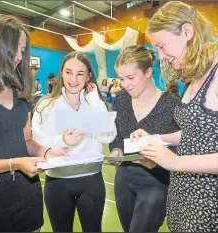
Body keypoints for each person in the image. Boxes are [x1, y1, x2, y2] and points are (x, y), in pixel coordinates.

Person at [0, 14, 68, 232]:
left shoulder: (20, 92)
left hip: (27, 199)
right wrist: (14, 163)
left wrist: (45, 151)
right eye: (14, 48)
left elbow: (27, 141)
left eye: (23, 51)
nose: (18, 56)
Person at [131, 1, 218, 232]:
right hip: (184, 194)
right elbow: (195, 132)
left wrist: (176, 161)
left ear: (187, 32)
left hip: (210, 203)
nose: (162, 56)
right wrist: (157, 140)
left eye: (162, 46)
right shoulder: (194, 75)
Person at [32, 51, 117, 232]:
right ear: (61, 72)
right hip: (58, 182)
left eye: (80, 73)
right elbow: (36, 143)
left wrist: (94, 100)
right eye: (69, 72)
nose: (73, 79)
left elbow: (108, 136)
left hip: (92, 181)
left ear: (88, 77)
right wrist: (61, 140)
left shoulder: (94, 103)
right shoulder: (46, 105)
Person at [109, 45, 180, 232]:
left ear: (148, 72)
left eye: (131, 78)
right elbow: (116, 134)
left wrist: (155, 161)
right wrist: (116, 150)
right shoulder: (122, 100)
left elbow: (181, 147)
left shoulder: (172, 104)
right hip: (124, 179)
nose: (125, 84)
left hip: (156, 181)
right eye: (121, 79)